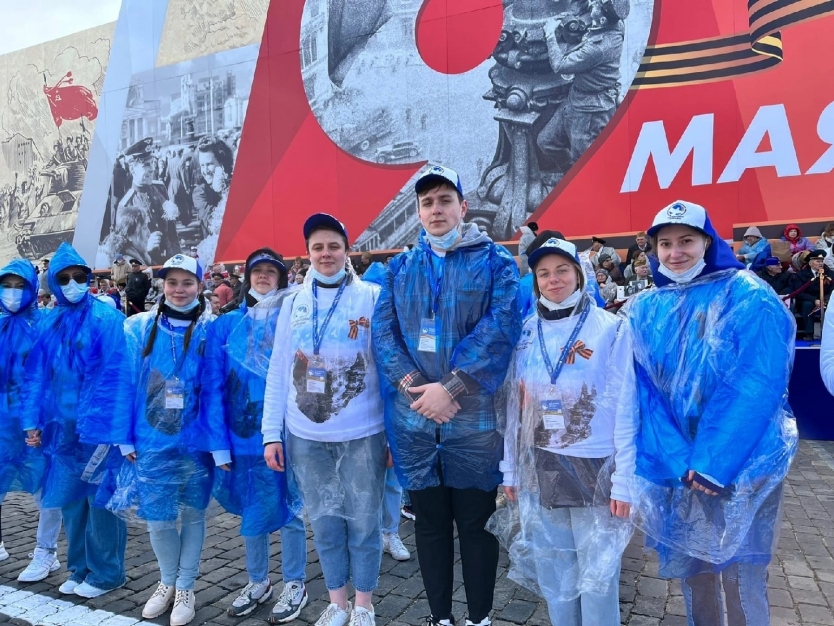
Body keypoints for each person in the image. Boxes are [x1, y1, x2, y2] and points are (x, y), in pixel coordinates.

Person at [625, 200, 797, 626]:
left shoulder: (748, 295)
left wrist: (713, 461)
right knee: (694, 569)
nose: (675, 252)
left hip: (743, 462)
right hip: (682, 468)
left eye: (686, 241)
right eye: (665, 244)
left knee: (741, 574)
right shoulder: (646, 307)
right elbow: (643, 392)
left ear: (708, 242)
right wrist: (676, 459)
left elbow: (757, 380)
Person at [372, 165, 522, 626]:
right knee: (431, 528)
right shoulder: (399, 268)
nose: (436, 210)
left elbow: (500, 329)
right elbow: (384, 334)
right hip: (416, 423)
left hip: (474, 424)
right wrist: (417, 389)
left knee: (476, 528)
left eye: (444, 200)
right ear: (418, 212)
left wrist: (451, 387)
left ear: (463, 206)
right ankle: (439, 616)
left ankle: (479, 617)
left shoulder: (496, 262)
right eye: (427, 203)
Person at [498, 236, 635, 625]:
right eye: (543, 273)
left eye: (561, 270)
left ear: (579, 274)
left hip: (595, 464)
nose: (553, 279)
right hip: (541, 464)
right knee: (556, 569)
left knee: (597, 575)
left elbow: (627, 407)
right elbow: (514, 408)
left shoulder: (611, 329)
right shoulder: (527, 332)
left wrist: (624, 481)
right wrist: (510, 468)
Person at [263, 214, 387, 626]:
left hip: (362, 431)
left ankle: (364, 604)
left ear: (347, 250)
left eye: (334, 245)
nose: (326, 253)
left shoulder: (371, 297)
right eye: (317, 247)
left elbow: (387, 368)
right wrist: (271, 433)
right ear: (308, 254)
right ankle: (337, 602)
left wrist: (393, 435)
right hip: (306, 435)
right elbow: (279, 368)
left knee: (364, 521)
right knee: (324, 520)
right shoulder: (293, 302)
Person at [199, 248, 308, 621]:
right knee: (252, 507)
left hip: (285, 433)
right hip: (240, 435)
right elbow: (212, 386)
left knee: (290, 507)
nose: (263, 276)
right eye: (257, 270)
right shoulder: (225, 325)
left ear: (281, 277)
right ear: (247, 277)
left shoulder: (292, 320)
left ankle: (295, 581)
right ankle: (258, 580)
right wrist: (218, 444)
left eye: (270, 271)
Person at [109, 253, 215, 626]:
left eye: (187, 283)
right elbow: (123, 384)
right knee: (159, 518)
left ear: (200, 285)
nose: (179, 290)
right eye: (172, 282)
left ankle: (186, 586)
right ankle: (167, 580)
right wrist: (123, 439)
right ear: (162, 285)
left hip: (196, 444)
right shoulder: (138, 328)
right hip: (151, 441)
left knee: (193, 515)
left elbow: (217, 390)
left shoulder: (210, 330)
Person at [23, 242, 130, 598]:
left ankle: (107, 572)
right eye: (64, 278)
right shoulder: (49, 323)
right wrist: (32, 421)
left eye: (79, 277)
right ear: (53, 283)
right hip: (63, 427)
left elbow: (118, 376)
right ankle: (80, 567)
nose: (73, 284)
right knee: (71, 499)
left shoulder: (107, 319)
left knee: (101, 499)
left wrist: (115, 427)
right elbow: (36, 376)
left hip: (98, 426)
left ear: (89, 279)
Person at [0, 259, 64, 581]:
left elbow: (54, 376)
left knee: (44, 488)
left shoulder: (47, 325)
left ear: (33, 288)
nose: (12, 293)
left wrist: (41, 418)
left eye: (20, 286)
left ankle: (46, 552)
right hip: (3, 422)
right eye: (6, 286)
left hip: (37, 422)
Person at [111, 138, 181, 266]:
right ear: (133, 170)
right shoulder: (125, 205)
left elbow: (172, 231)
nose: (152, 169)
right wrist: (146, 250)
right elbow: (123, 249)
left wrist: (178, 258)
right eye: (146, 165)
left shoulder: (160, 188)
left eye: (152, 163)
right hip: (147, 267)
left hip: (170, 261)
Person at [792, 249, 834, 340]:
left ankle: (828, 334)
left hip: (826, 299)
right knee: (807, 305)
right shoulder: (801, 274)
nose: (820, 263)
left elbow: (832, 289)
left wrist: (825, 299)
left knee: (831, 305)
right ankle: (809, 333)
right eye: (818, 261)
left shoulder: (829, 273)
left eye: (822, 261)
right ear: (810, 263)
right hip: (808, 300)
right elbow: (799, 292)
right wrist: (814, 300)